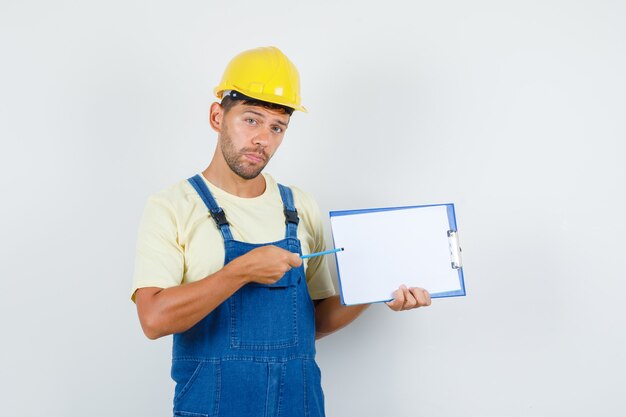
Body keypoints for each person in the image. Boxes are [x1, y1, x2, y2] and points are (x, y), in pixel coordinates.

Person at [131, 46, 432, 417]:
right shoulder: (172, 205)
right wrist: (241, 271)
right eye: (251, 120)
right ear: (217, 116)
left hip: (299, 404)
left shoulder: (300, 207)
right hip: (211, 406)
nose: (263, 139)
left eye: (277, 127)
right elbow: (154, 319)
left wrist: (373, 288)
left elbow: (315, 323)